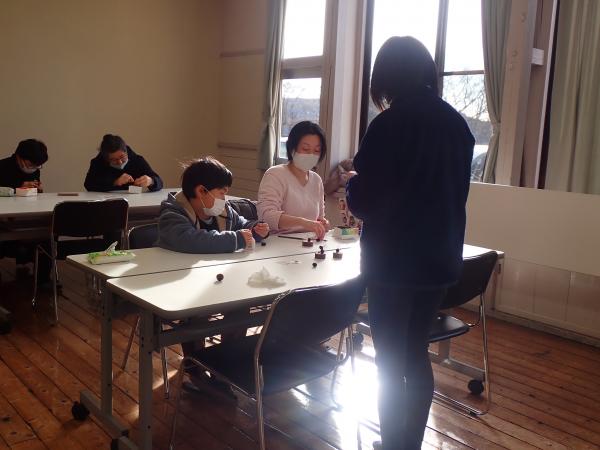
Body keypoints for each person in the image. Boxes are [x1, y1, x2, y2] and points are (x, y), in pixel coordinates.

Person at [346, 36, 474, 450]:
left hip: (393, 264)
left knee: (389, 361)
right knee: (416, 354)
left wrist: (351, 187)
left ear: (386, 76)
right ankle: (409, 445)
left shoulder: (389, 124)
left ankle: (392, 445)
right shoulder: (457, 125)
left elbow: (367, 202)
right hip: (438, 259)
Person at [157, 157, 268, 253]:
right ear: (201, 191)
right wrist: (235, 240)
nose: (224, 199)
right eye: (221, 193)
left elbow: (240, 223)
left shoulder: (224, 212)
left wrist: (255, 229)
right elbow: (187, 240)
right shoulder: (172, 214)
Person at [257, 121, 330, 240]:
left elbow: (319, 218)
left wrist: (323, 224)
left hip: (308, 242)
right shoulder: (275, 174)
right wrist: (304, 223)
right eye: (305, 149)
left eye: (317, 150)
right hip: (278, 243)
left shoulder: (316, 180)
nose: (311, 155)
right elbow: (266, 216)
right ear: (292, 148)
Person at [84, 134, 163, 192]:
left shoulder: (137, 160)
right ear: (106, 159)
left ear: (126, 152)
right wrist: (114, 182)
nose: (120, 162)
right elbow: (88, 185)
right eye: (113, 159)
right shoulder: (97, 163)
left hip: (134, 202)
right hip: (106, 203)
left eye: (122, 157)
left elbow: (160, 182)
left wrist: (151, 181)